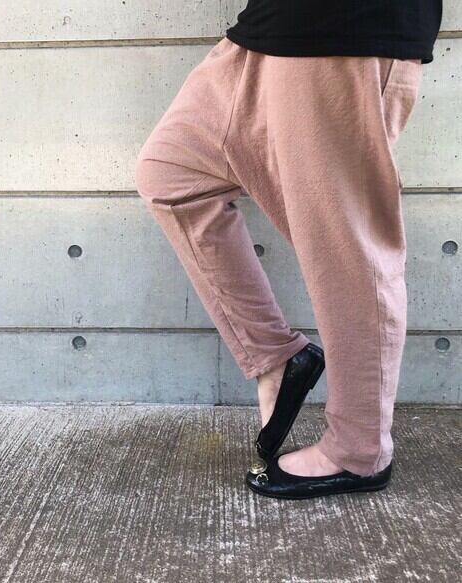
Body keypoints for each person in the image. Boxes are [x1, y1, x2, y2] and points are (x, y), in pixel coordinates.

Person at [133, 0, 443, 499]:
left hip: (346, 31)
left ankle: (359, 450)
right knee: (172, 174)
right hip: (268, 28)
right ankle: (276, 358)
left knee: (348, 253)